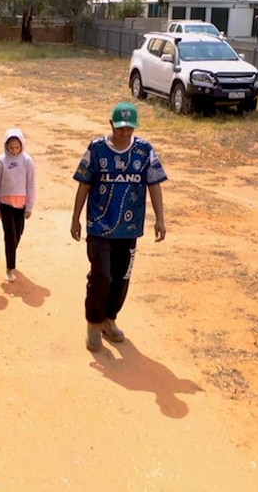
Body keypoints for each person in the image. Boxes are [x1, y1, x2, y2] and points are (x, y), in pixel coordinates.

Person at [70, 102, 167, 352]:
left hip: (129, 227)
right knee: (102, 274)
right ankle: (93, 322)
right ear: (111, 124)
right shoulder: (97, 149)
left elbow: (154, 184)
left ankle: (108, 319)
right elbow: (84, 184)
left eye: (130, 128)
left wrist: (160, 219)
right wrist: (75, 217)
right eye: (121, 128)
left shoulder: (145, 151)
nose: (125, 132)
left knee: (121, 277)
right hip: (99, 225)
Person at [0, 128, 37, 283]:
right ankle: (10, 267)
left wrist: (29, 207)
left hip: (21, 205)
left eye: (17, 147)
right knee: (10, 235)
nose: (14, 150)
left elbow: (31, 184)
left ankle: (11, 252)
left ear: (22, 145)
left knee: (18, 233)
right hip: (6, 204)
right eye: (11, 147)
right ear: (6, 145)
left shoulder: (27, 161)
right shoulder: (0, 162)